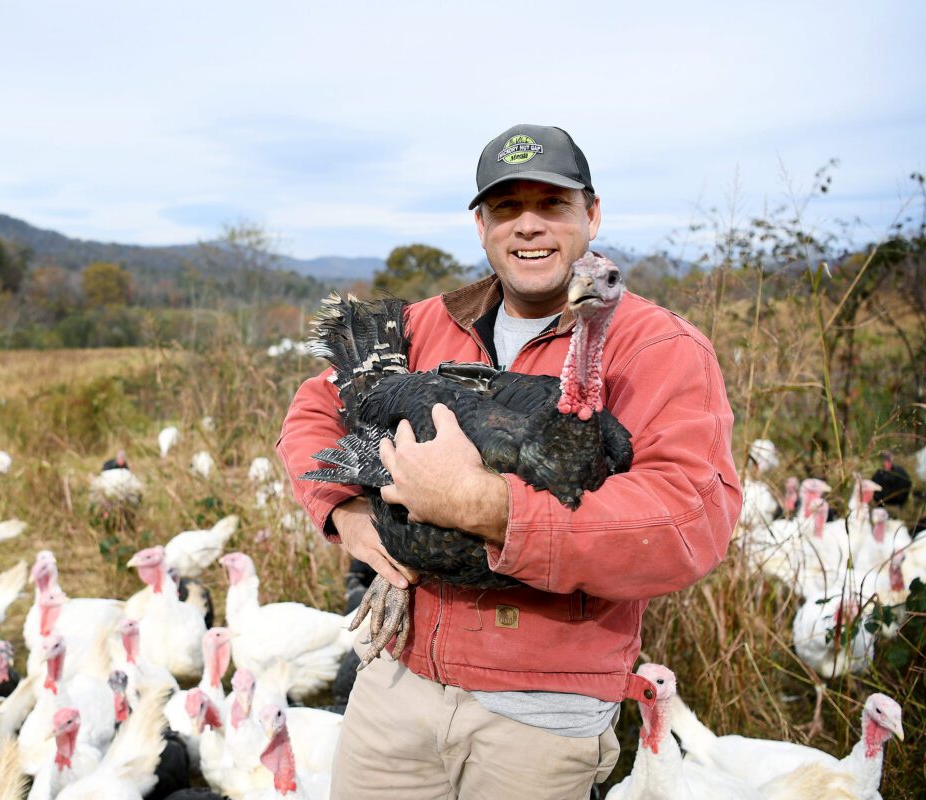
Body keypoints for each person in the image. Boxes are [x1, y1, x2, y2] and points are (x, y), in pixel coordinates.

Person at [276, 124, 741, 800]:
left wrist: (486, 509)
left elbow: (684, 525)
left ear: (592, 214)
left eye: (551, 205)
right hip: (395, 686)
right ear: (481, 224)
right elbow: (313, 414)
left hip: (539, 717)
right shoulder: (423, 325)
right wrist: (341, 510)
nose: (529, 227)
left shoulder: (659, 349)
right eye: (506, 208)